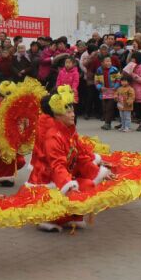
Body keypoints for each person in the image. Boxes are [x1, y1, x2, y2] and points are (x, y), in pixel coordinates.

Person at [27, 86, 112, 232]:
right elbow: (57, 166)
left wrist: (99, 171)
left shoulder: (69, 131)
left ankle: (70, 217)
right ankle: (48, 218)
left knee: (89, 185)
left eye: (73, 110)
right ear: (58, 115)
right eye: (68, 111)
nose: (73, 114)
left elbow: (81, 155)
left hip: (64, 176)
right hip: (49, 178)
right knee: (75, 191)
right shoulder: (53, 136)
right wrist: (69, 186)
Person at [122, 50, 141, 132]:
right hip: (133, 91)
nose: (132, 60)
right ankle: (127, 123)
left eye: (133, 58)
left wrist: (132, 75)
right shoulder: (134, 66)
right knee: (135, 108)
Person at [95, 55, 121, 131]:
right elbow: (96, 81)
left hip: (113, 91)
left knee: (110, 107)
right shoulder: (99, 70)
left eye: (109, 61)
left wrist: (115, 87)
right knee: (105, 108)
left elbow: (119, 79)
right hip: (104, 92)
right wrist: (100, 87)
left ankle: (108, 123)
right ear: (102, 62)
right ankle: (107, 122)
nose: (109, 63)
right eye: (107, 61)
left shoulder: (114, 69)